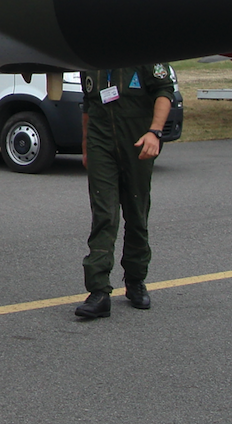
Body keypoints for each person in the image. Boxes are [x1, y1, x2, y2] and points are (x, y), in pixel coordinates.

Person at [74, 64, 173, 319]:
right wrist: (86, 146)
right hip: (101, 141)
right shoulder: (90, 60)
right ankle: (98, 291)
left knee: (137, 213)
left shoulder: (144, 53)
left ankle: (136, 280)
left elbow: (164, 91)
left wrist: (155, 132)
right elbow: (88, 103)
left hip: (137, 140)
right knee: (104, 215)